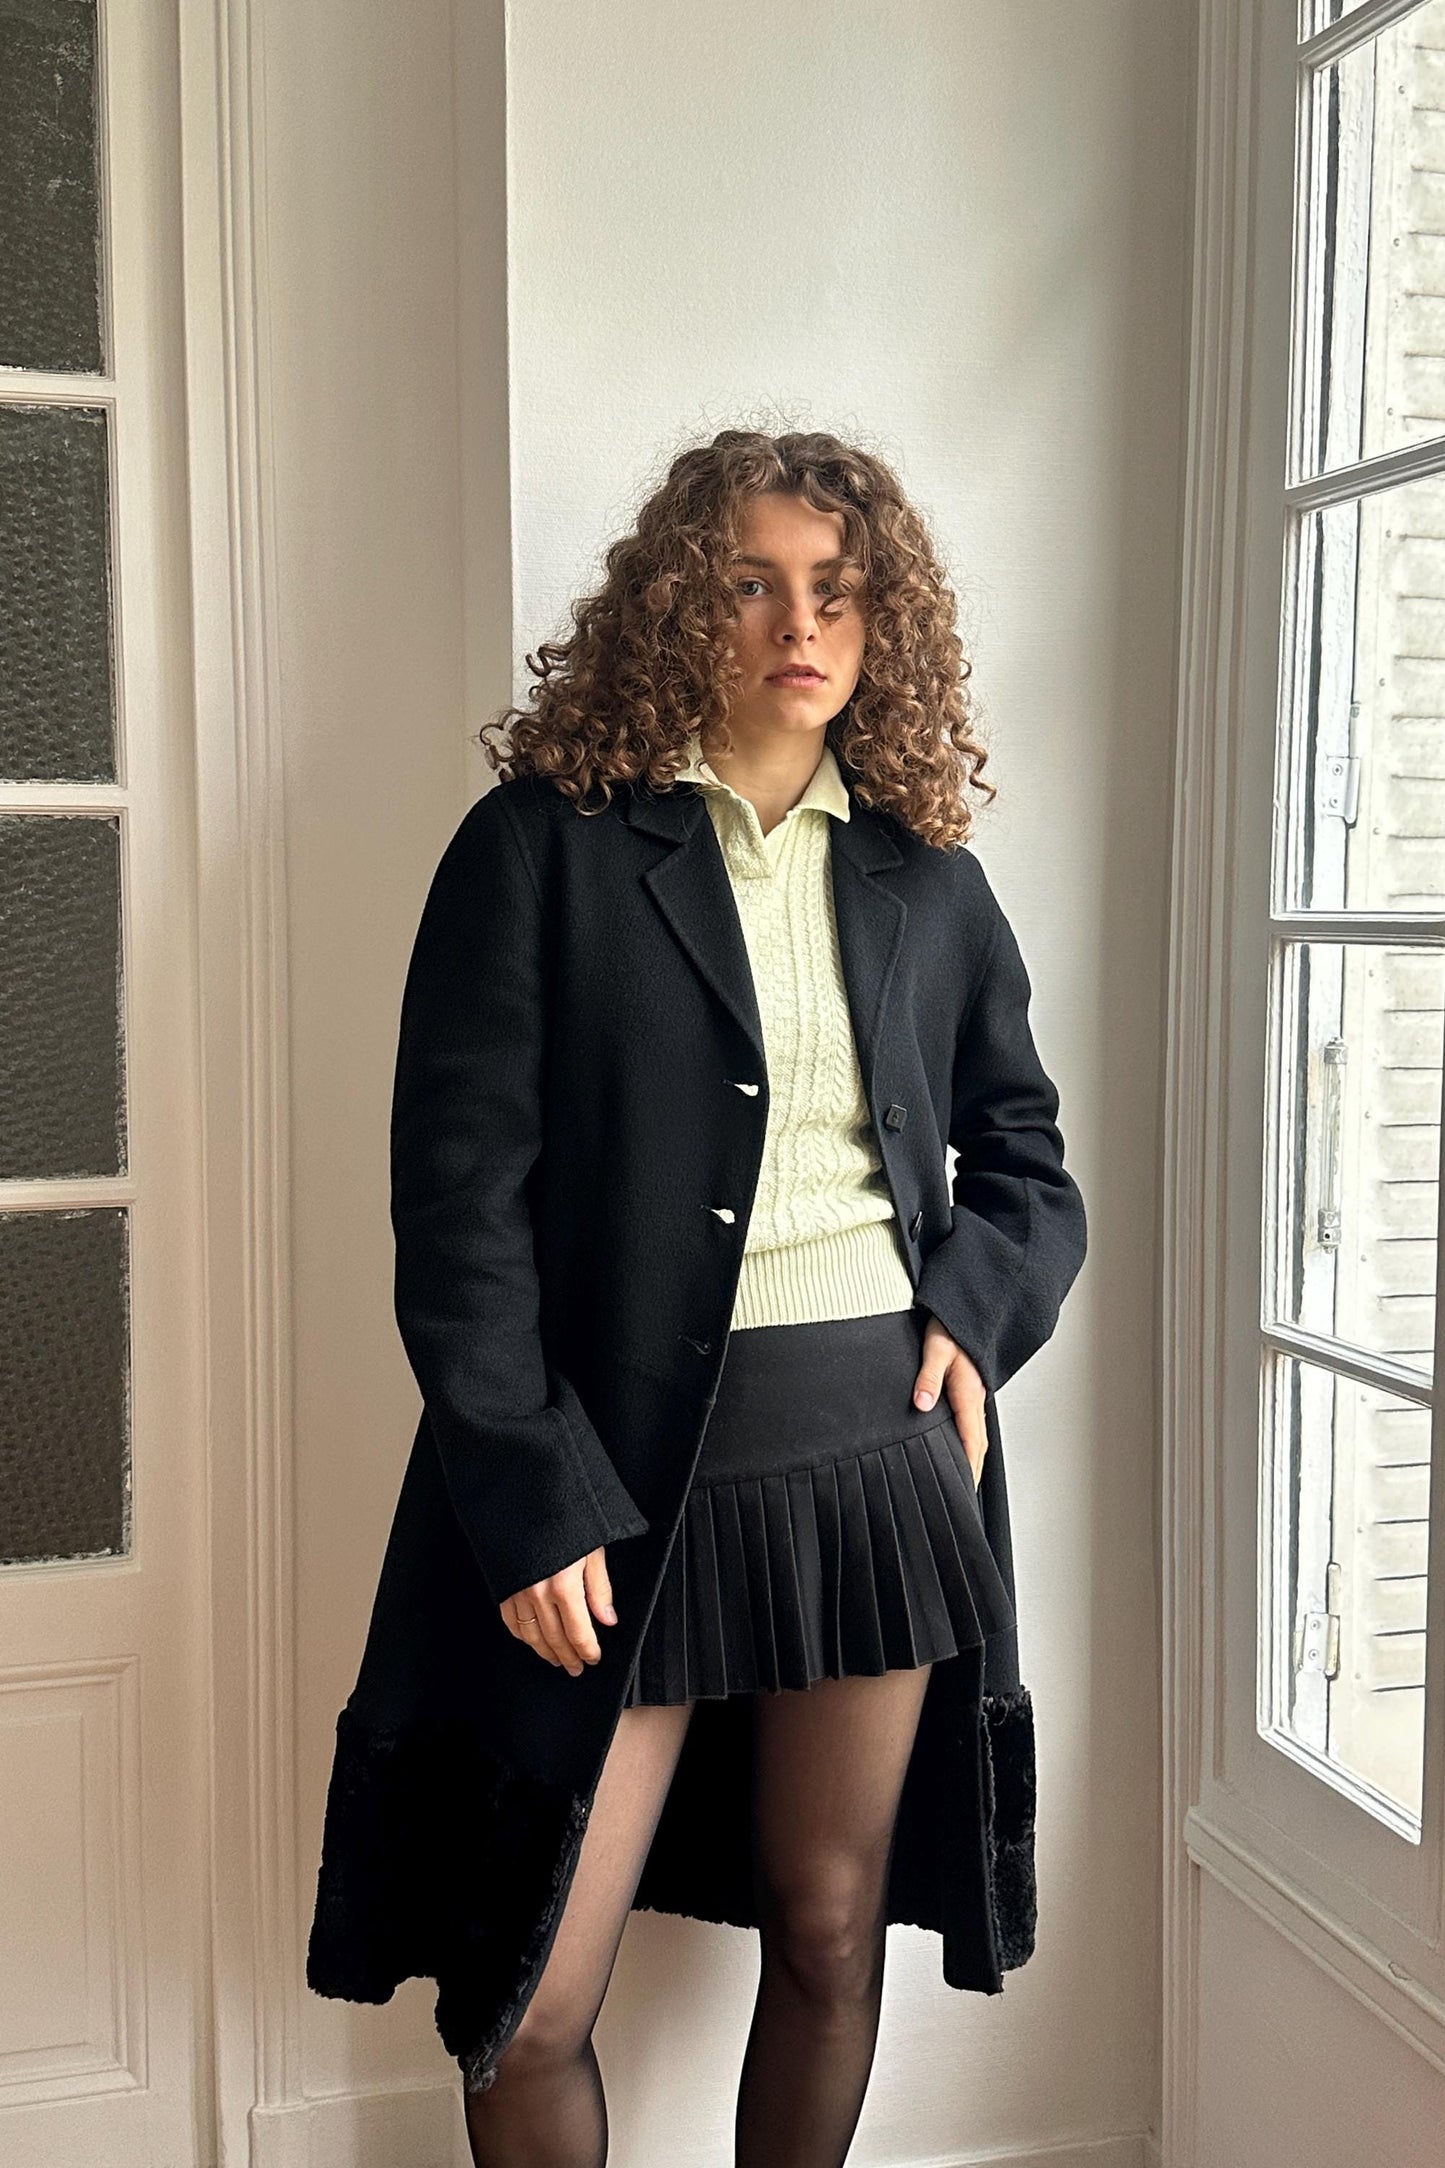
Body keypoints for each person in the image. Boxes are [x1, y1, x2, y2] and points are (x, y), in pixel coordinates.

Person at [305, 428, 1087, 2167]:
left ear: (885, 625)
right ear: (682, 600)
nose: (797, 624)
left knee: (828, 1936)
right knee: (532, 2000)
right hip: (616, 1470)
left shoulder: (926, 880)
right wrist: (522, 1496)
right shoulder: (539, 851)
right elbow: (457, 1214)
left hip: (874, 1467)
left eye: (836, 589)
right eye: (751, 582)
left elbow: (1022, 1152)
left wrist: (973, 1310)